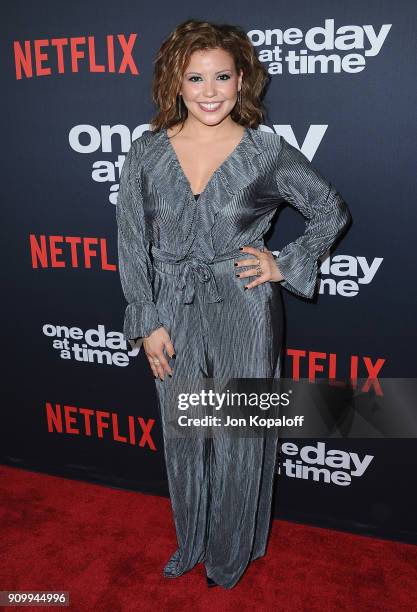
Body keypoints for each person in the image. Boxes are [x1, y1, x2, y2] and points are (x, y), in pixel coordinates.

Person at [116, 19, 351, 589]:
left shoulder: (266, 151)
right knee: (184, 431)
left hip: (244, 305)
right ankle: (190, 541)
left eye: (222, 75)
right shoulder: (147, 153)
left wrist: (283, 262)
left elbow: (329, 209)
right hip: (171, 306)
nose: (210, 90)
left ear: (242, 78)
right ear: (176, 82)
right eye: (195, 78)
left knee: (241, 433)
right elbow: (130, 241)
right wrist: (146, 320)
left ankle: (228, 556)